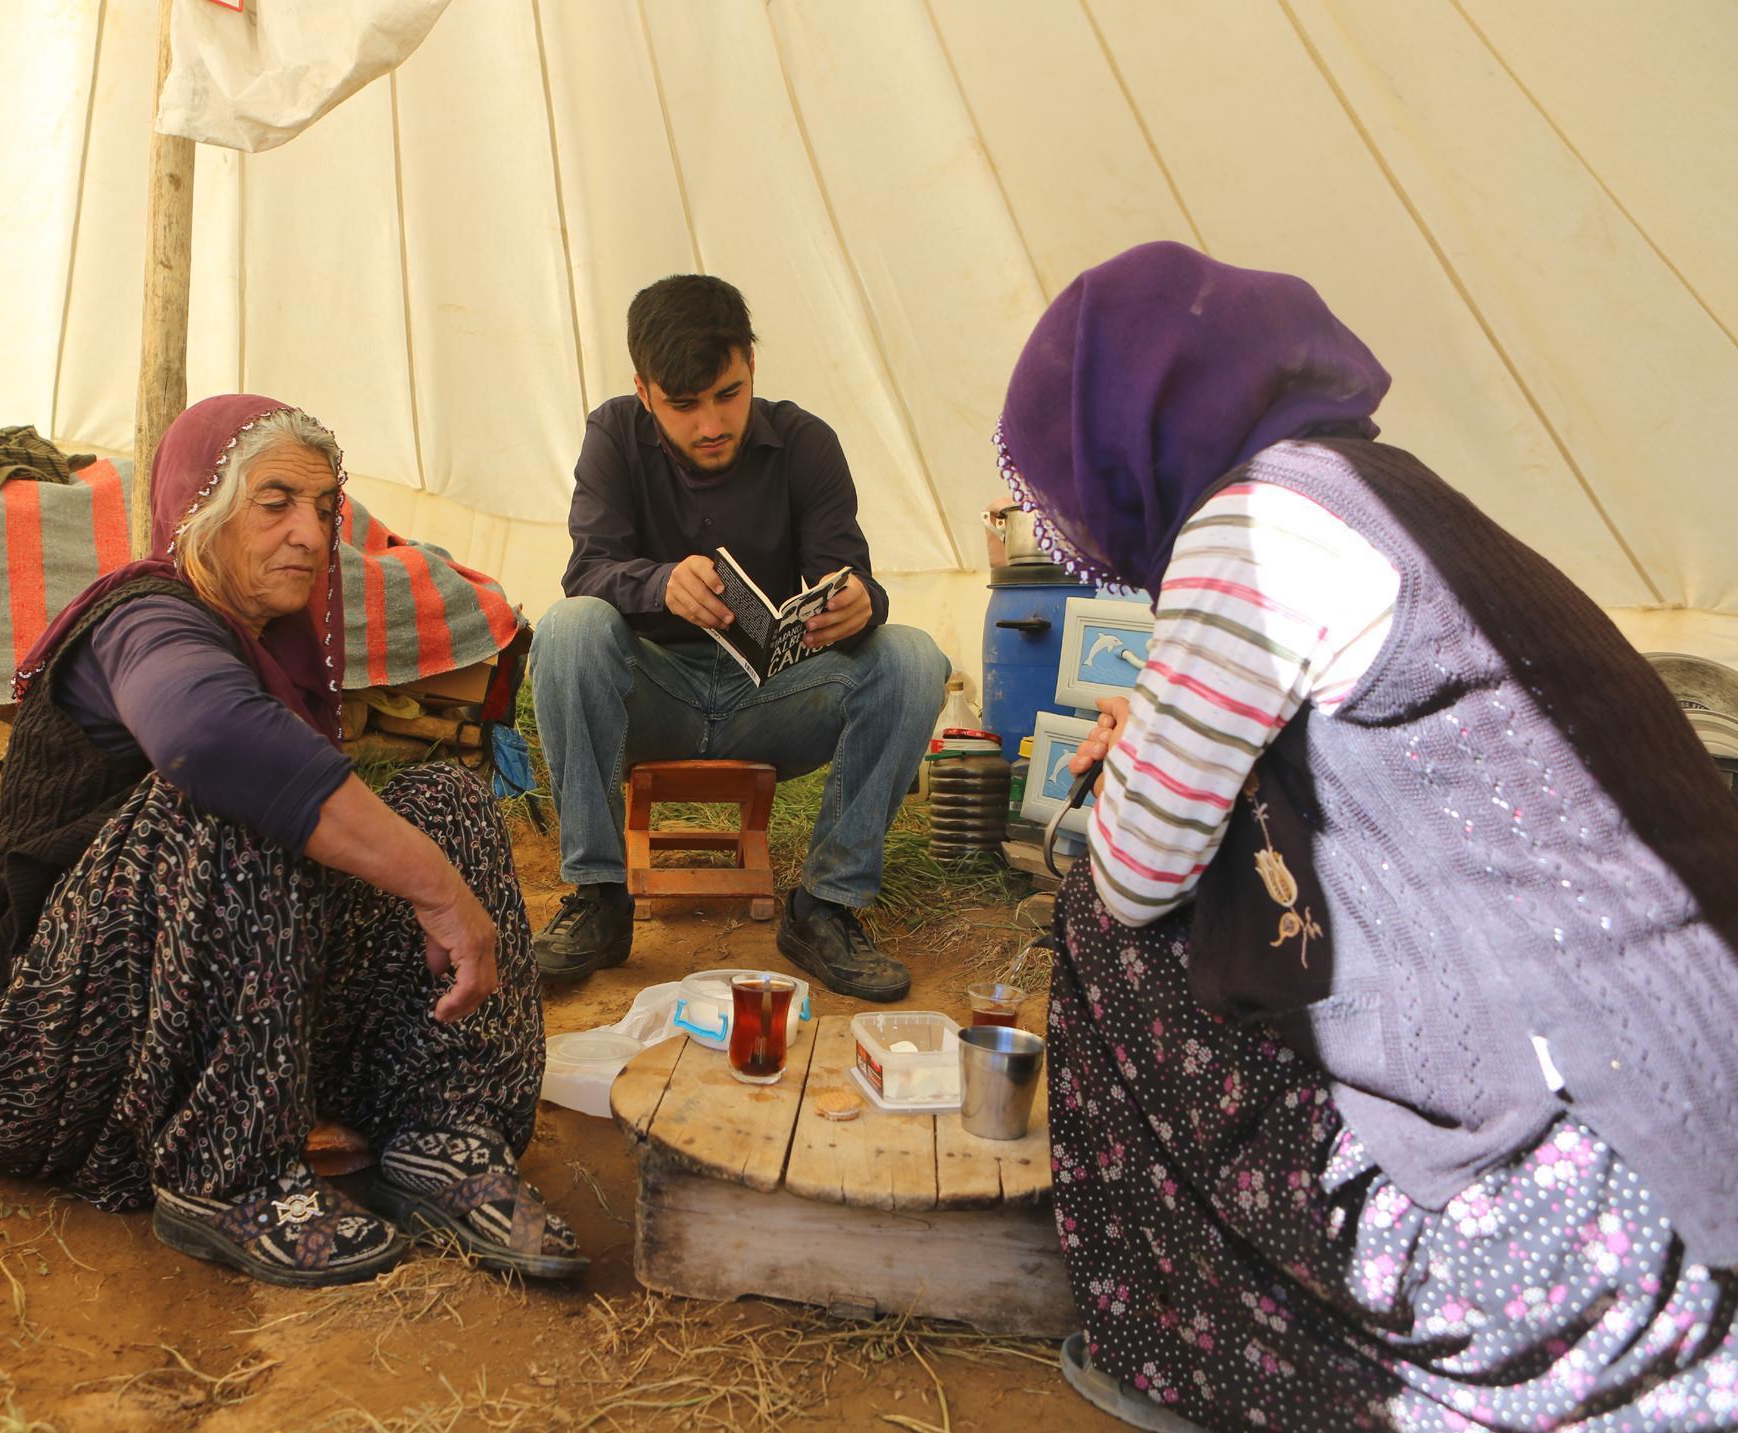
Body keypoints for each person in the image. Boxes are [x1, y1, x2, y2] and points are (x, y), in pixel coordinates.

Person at [999, 243, 1738, 1429]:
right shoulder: (1373, 491)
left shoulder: (1250, 530)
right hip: (1693, 1113)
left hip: (1573, 1197)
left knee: (1101, 917)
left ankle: (1191, 1338)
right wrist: (1173, 728)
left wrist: (1138, 756)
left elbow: (1141, 869)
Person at [0, 396, 586, 1288]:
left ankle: (442, 1133)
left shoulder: (269, 646)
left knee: (447, 801)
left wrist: (437, 860)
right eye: (275, 502)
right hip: (43, 1063)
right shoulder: (142, 619)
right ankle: (224, 1177)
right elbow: (209, 738)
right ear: (200, 505)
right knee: (243, 797)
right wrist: (435, 888)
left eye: (324, 509)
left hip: (184, 1029)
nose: (310, 534)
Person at [526, 275, 949, 1001]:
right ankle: (598, 900)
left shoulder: (808, 443)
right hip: (651, 695)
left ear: (752, 363)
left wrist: (860, 600)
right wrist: (658, 585)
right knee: (569, 628)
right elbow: (586, 570)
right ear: (643, 389)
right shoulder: (613, 435)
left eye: (729, 392)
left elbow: (848, 575)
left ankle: (826, 906)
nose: (712, 423)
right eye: (683, 406)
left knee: (914, 657)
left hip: (776, 701)